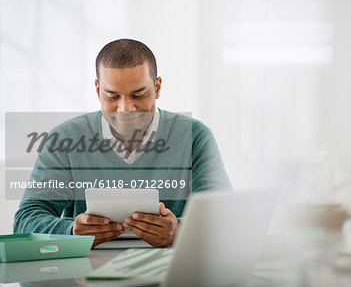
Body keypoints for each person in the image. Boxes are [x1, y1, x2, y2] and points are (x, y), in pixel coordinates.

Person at [13, 39, 232, 248]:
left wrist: (180, 230)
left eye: (138, 94)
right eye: (112, 96)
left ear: (157, 87)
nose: (125, 108)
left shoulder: (194, 136)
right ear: (98, 91)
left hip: (170, 270)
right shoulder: (64, 139)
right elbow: (25, 220)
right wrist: (71, 231)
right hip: (84, 273)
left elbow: (225, 216)